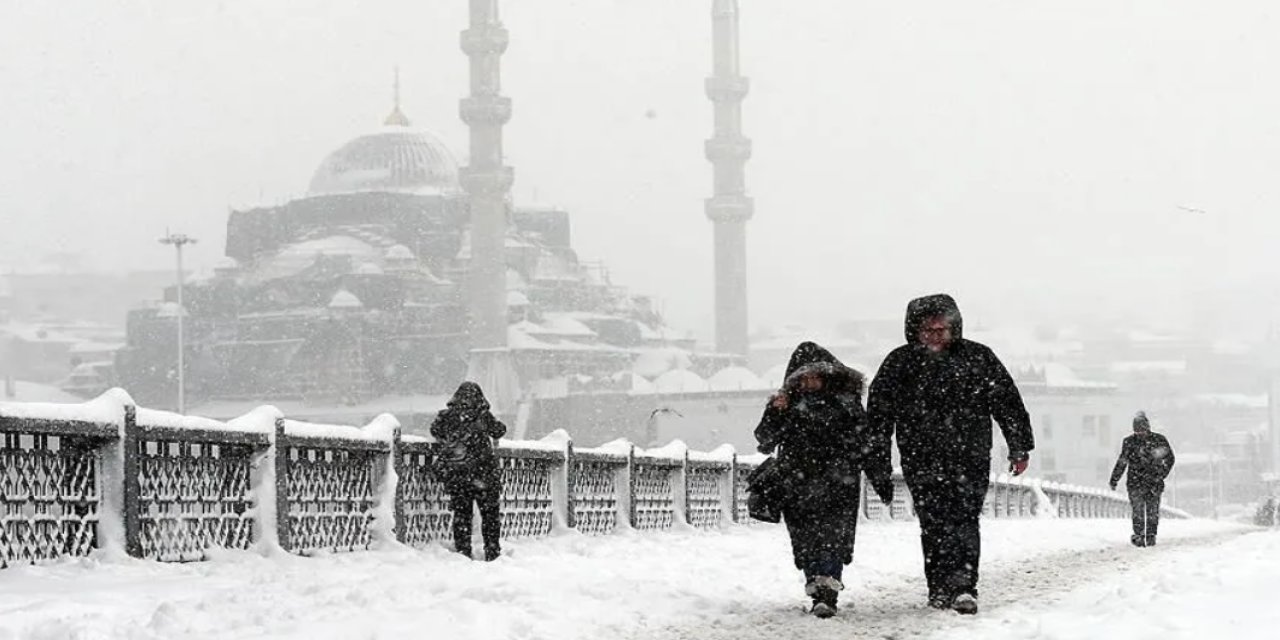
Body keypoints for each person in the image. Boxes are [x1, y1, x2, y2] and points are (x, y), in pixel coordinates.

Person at [865, 294, 1034, 615]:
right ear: (914, 330)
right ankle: (939, 587)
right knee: (933, 522)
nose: (935, 336)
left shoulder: (978, 358)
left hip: (969, 456)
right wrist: (878, 464)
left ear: (953, 328)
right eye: (928, 330)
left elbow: (1007, 403)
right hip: (920, 457)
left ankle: (963, 586)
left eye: (941, 330)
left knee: (965, 519)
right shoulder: (899, 364)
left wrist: (1019, 445)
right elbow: (878, 418)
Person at [754, 342, 888, 619]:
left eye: (816, 375)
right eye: (804, 377)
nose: (811, 382)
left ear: (828, 376)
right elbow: (765, 441)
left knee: (833, 540)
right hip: (797, 485)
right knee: (806, 541)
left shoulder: (846, 405)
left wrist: (880, 478)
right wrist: (775, 411)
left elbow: (867, 444)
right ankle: (816, 587)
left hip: (839, 484)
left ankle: (827, 592)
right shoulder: (787, 406)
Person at [430, 381, 507, 561]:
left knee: (462, 515)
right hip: (484, 475)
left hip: (458, 475)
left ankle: (463, 552)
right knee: (490, 516)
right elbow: (499, 431)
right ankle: (492, 551)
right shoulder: (483, 416)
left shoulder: (448, 416)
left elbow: (435, 430)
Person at [1109, 411, 1175, 547]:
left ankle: (1151, 535)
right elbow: (1122, 461)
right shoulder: (1129, 442)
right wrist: (1114, 479)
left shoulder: (1159, 440)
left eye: (1142, 430)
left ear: (1147, 428)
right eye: (1138, 431)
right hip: (1137, 483)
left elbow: (1170, 458)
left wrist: (1161, 474)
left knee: (1152, 511)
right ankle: (1139, 535)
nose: (1140, 434)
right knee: (1138, 510)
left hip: (1152, 482)